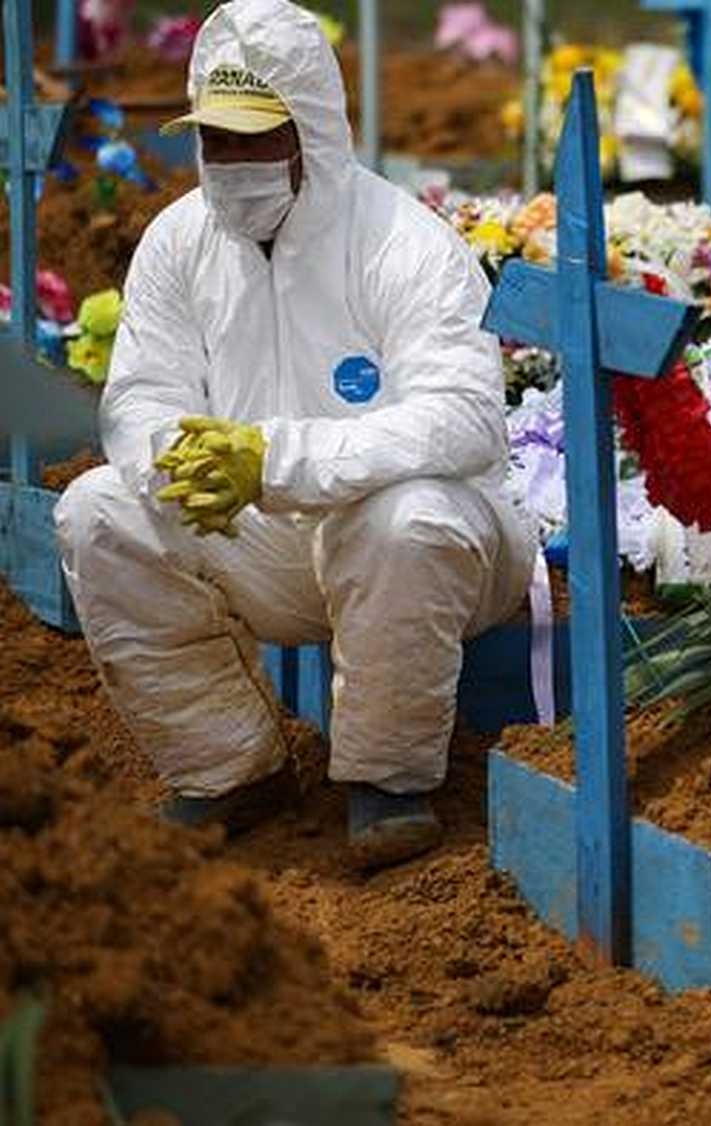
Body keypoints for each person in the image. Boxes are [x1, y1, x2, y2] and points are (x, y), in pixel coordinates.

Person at [54, 0, 533, 870]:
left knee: (405, 517)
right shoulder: (178, 241)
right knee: (96, 511)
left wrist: (272, 459)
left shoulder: (406, 244)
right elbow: (142, 394)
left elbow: (464, 419)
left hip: (442, 557)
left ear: (310, 130)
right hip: (271, 546)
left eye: (255, 140)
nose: (232, 165)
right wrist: (182, 466)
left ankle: (389, 780)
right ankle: (230, 769)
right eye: (216, 142)